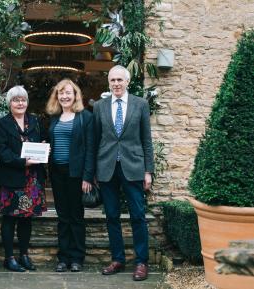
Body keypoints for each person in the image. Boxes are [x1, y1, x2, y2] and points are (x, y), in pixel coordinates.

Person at [93, 65, 154, 281]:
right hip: (107, 169)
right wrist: (93, 172)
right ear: (108, 82)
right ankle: (117, 259)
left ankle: (141, 262)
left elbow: (146, 140)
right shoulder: (99, 106)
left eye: (120, 80)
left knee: (138, 216)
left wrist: (148, 171)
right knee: (111, 216)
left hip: (134, 168)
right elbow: (95, 141)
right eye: (113, 80)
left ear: (127, 82)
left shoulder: (140, 104)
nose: (116, 84)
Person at [0, 85, 47, 272]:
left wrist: (43, 147)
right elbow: (0, 151)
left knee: (27, 219)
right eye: (16, 100)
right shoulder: (1, 123)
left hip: (32, 179)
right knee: (9, 219)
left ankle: (24, 255)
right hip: (12, 177)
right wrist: (21, 162)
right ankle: (9, 258)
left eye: (23, 99)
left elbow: (42, 141)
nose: (20, 103)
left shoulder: (35, 121)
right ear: (10, 103)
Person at [46, 79, 94, 272]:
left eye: (68, 93)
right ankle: (63, 258)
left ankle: (77, 258)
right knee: (62, 217)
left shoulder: (85, 117)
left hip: (76, 174)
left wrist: (88, 177)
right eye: (61, 93)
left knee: (76, 217)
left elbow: (91, 149)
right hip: (57, 173)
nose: (64, 96)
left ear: (75, 95)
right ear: (56, 96)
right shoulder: (54, 118)